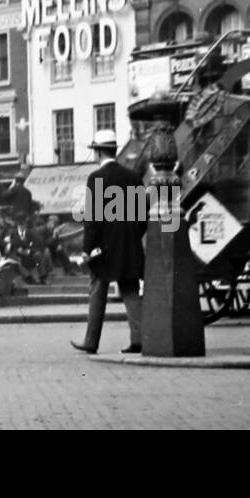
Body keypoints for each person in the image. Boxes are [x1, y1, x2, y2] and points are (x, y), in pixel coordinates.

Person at [72, 129, 144, 355]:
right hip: (130, 243)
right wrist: (132, 235)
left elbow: (93, 219)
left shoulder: (96, 178)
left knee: (97, 288)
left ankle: (91, 341)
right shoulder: (133, 177)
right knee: (130, 289)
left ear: (98, 152)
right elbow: (142, 215)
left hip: (104, 246)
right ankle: (140, 338)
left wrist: (87, 249)